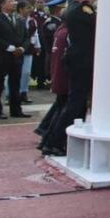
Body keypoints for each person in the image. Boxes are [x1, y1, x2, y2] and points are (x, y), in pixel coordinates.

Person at [42, 0, 98, 155]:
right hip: (83, 61)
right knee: (75, 103)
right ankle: (55, 141)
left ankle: (54, 140)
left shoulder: (71, 9)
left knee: (74, 103)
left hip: (77, 60)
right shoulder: (83, 10)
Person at [0, 0, 32, 119]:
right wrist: (11, 48)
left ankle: (16, 110)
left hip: (16, 57)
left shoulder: (20, 20)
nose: (14, 3)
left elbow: (27, 38)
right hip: (1, 56)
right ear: (2, 5)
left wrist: (22, 48)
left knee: (15, 84)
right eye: (10, 2)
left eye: (14, 1)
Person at [36, 18, 69, 148]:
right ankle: (50, 140)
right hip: (65, 76)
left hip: (60, 74)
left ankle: (45, 131)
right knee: (63, 106)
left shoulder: (61, 30)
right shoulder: (66, 31)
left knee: (60, 104)